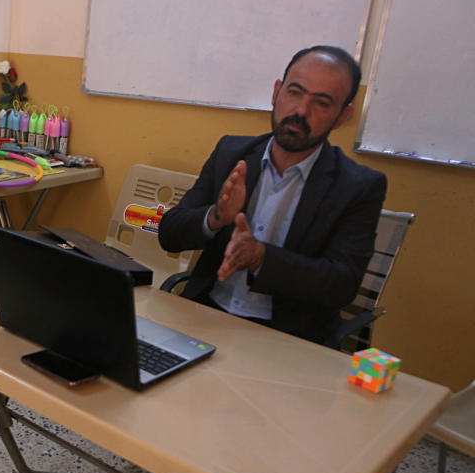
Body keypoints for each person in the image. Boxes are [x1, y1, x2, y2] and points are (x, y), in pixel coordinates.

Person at [158, 45, 387, 345]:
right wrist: (215, 217)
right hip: (205, 318)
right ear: (276, 92)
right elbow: (169, 234)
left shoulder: (358, 186)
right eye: (294, 92)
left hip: (286, 337)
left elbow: (342, 284)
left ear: (342, 116)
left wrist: (261, 258)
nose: (300, 111)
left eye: (321, 103)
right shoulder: (231, 153)